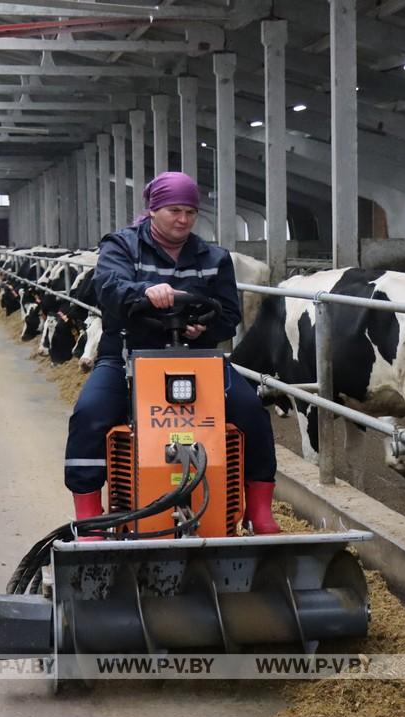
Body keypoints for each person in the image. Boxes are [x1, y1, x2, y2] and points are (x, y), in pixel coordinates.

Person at [63, 171, 281, 535]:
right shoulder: (121, 247)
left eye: (190, 213)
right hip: (126, 356)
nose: (183, 220)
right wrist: (145, 293)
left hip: (197, 359)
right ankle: (90, 517)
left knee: (251, 411)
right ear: (153, 210)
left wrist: (205, 329)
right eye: (174, 210)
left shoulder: (214, 257)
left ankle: (259, 511)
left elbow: (229, 316)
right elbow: (109, 289)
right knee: (90, 413)